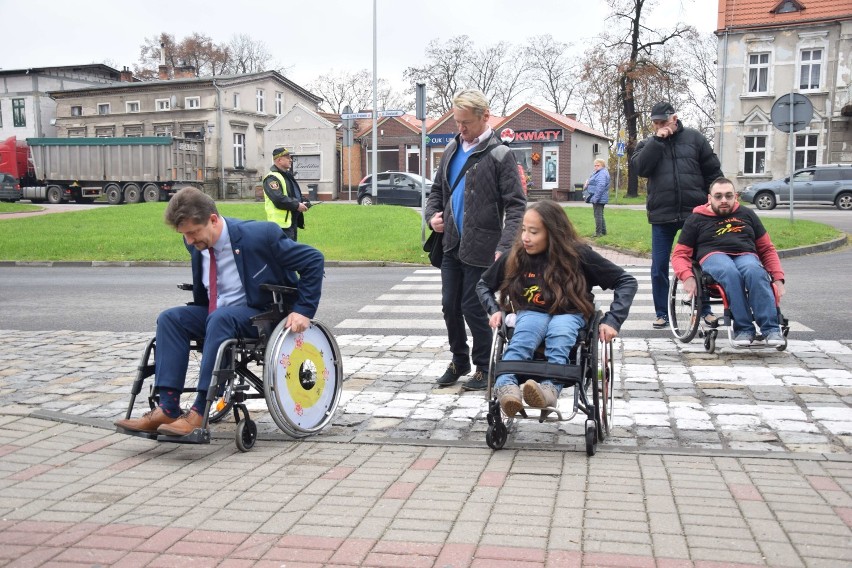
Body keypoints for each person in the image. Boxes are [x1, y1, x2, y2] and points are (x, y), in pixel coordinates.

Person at [115, 187, 324, 436]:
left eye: (193, 233)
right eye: (185, 235)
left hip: (259, 315)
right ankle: (167, 408)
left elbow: (313, 260)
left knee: (220, 318)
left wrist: (303, 310)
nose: (190, 241)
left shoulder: (260, 236)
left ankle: (199, 411)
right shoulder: (195, 243)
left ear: (213, 219)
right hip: (217, 315)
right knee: (170, 318)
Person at [476, 200, 637, 415]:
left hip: (569, 312)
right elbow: (483, 284)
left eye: (533, 232)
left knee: (560, 335)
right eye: (523, 230)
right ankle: (507, 388)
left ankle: (548, 391)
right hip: (531, 312)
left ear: (553, 233)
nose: (525, 237)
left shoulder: (579, 255)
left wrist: (612, 320)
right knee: (524, 335)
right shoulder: (517, 255)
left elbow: (626, 281)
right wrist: (494, 309)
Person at [424, 89, 527, 391]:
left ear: (485, 117)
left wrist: (505, 245)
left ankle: (485, 366)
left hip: (483, 246)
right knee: (448, 306)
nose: (460, 129)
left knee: (472, 305)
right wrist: (432, 217)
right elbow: (436, 193)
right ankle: (459, 360)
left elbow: (516, 204)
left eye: (465, 122)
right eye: (457, 122)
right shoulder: (451, 150)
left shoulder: (500, 154)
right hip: (450, 244)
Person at [631, 101, 723, 329]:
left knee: (700, 262)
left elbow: (713, 172)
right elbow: (641, 169)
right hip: (662, 215)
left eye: (664, 121)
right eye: (656, 123)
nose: (660, 125)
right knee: (659, 266)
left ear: (675, 118)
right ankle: (662, 312)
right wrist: (658, 141)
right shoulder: (647, 144)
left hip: (695, 213)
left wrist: (715, 199)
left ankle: (705, 310)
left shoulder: (695, 139)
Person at [671, 178, 786, 347]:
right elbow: (679, 254)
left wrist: (778, 278)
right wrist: (687, 277)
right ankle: (744, 329)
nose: (723, 200)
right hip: (713, 256)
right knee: (729, 271)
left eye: (728, 196)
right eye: (718, 196)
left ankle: (771, 329)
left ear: (735, 197)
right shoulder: (696, 219)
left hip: (745, 254)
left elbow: (767, 249)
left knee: (755, 271)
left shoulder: (747, 214)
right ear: (709, 198)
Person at [263, 147, 309, 241]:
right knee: (284, 254)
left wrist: (303, 201)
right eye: (288, 157)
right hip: (280, 226)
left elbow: (292, 194)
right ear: (279, 160)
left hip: (291, 222)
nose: (291, 160)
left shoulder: (287, 176)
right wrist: (297, 205)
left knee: (291, 252)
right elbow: (278, 199)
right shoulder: (271, 178)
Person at [584, 158, 610, 237]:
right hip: (598, 197)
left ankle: (598, 233)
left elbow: (600, 186)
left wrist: (595, 198)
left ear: (602, 165)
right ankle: (603, 232)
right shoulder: (598, 172)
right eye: (595, 165)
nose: (595, 167)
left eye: (598, 165)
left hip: (599, 197)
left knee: (597, 215)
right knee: (600, 215)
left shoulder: (602, 173)